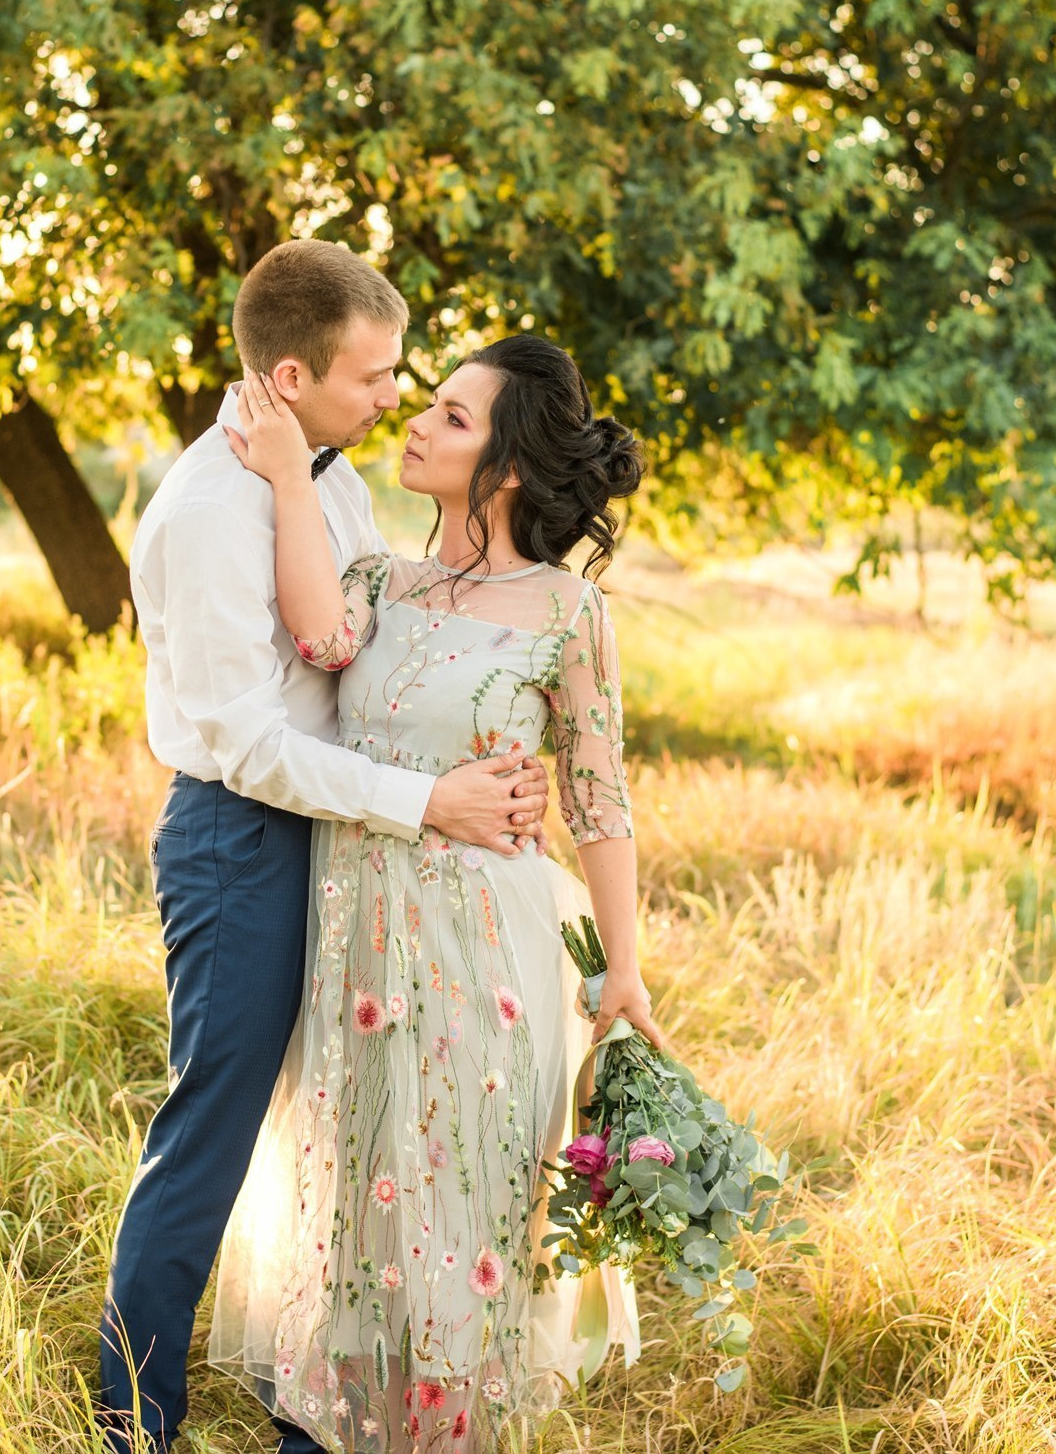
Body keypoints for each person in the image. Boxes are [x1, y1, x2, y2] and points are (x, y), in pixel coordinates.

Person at [103, 241, 553, 1454]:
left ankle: (315, 1404)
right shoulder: (206, 511)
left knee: (343, 1131)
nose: (390, 403)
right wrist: (427, 805)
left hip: (345, 840)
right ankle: (133, 1423)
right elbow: (248, 747)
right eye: (371, 379)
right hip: (241, 841)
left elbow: (371, 628)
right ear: (293, 374)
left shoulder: (328, 476)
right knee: (216, 1129)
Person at [207, 331, 659, 1451]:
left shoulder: (566, 612)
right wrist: (279, 470)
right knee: (354, 1208)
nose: (414, 418)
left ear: (504, 467)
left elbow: (598, 804)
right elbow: (317, 636)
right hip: (356, 947)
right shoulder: (378, 579)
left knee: (461, 1214)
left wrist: (627, 971)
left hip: (487, 957)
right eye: (429, 402)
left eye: (452, 417)